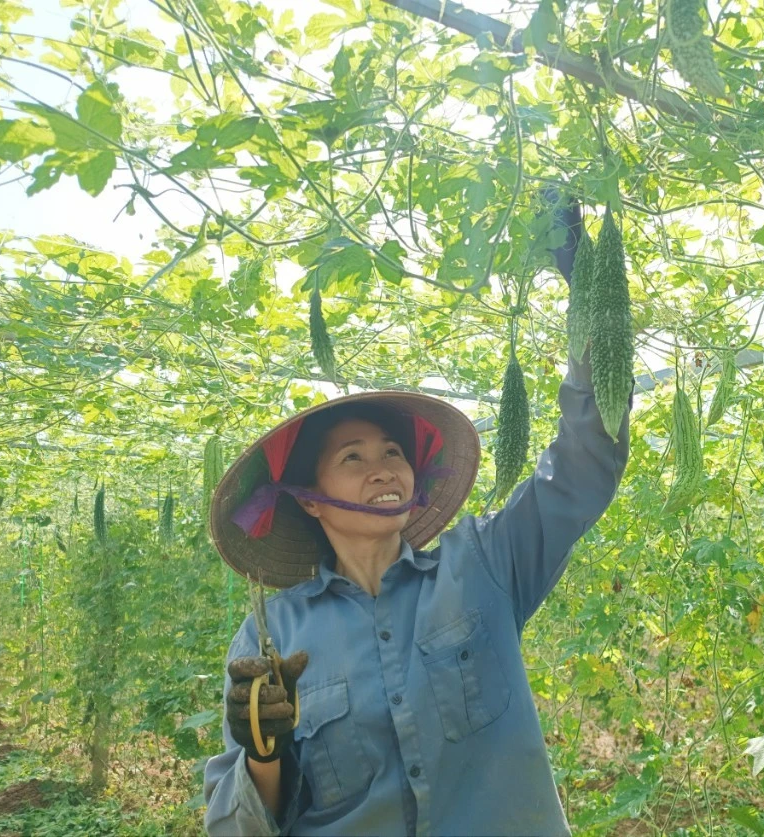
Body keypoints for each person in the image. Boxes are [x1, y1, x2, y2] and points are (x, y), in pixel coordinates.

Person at [201, 192, 631, 836]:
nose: (383, 469)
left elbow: (587, 459)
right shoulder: (274, 636)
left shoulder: (484, 564)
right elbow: (236, 829)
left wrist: (588, 293)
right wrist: (262, 753)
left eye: (394, 452)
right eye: (353, 457)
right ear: (310, 500)